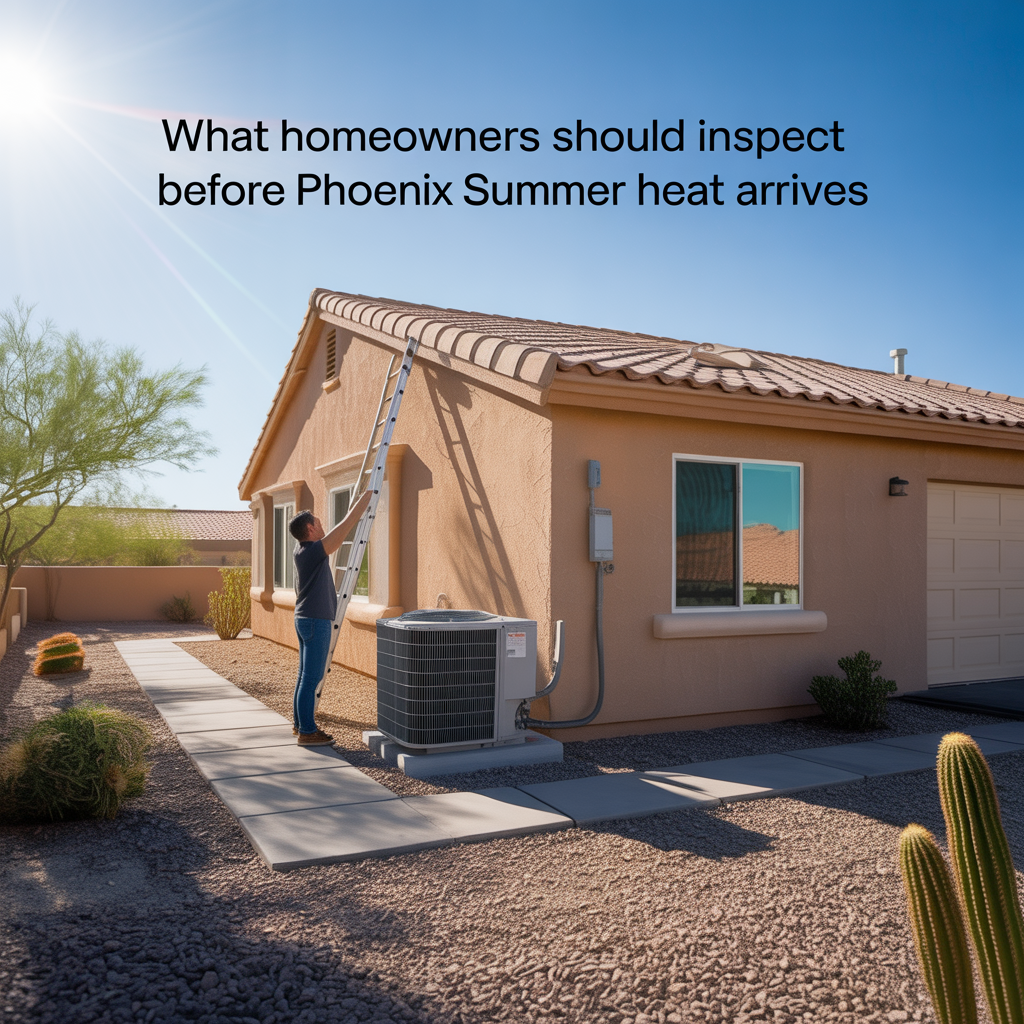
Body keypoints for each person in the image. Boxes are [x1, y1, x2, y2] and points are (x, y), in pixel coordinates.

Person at [287, 492, 372, 746]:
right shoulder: (311, 551)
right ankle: (307, 732)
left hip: (306, 618)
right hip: (314, 620)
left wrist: (355, 505)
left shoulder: (302, 550)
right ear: (311, 528)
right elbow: (342, 531)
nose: (322, 525)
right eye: (319, 522)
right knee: (311, 678)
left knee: (304, 676)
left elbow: (334, 533)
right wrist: (360, 504)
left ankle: (300, 725)